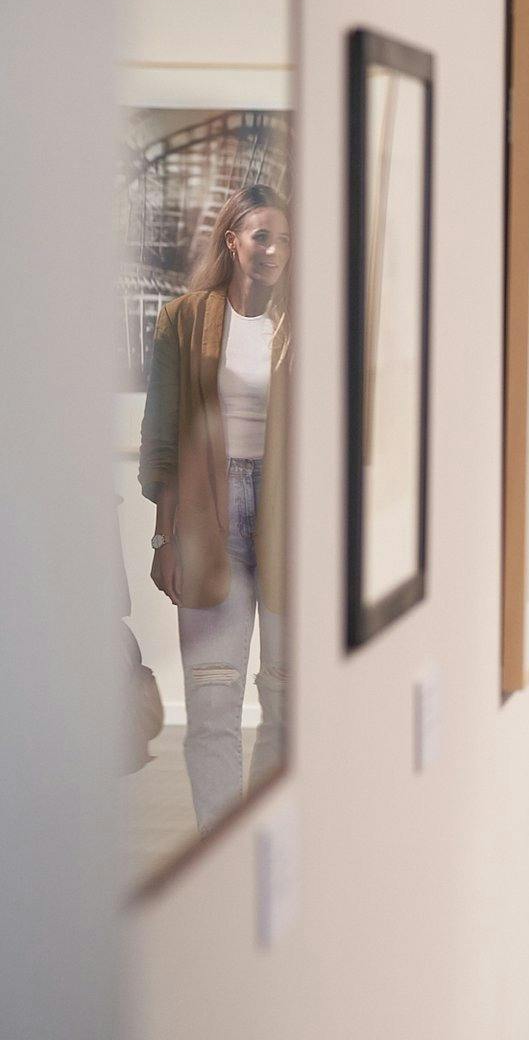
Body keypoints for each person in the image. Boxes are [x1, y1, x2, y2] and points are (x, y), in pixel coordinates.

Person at [139, 184, 292, 829]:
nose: (274, 250)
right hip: (208, 514)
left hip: (291, 520)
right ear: (233, 240)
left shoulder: (307, 322)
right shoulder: (184, 318)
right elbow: (164, 439)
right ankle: (220, 847)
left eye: (284, 239)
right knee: (210, 700)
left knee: (288, 700)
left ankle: (259, 834)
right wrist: (164, 537)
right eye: (262, 236)